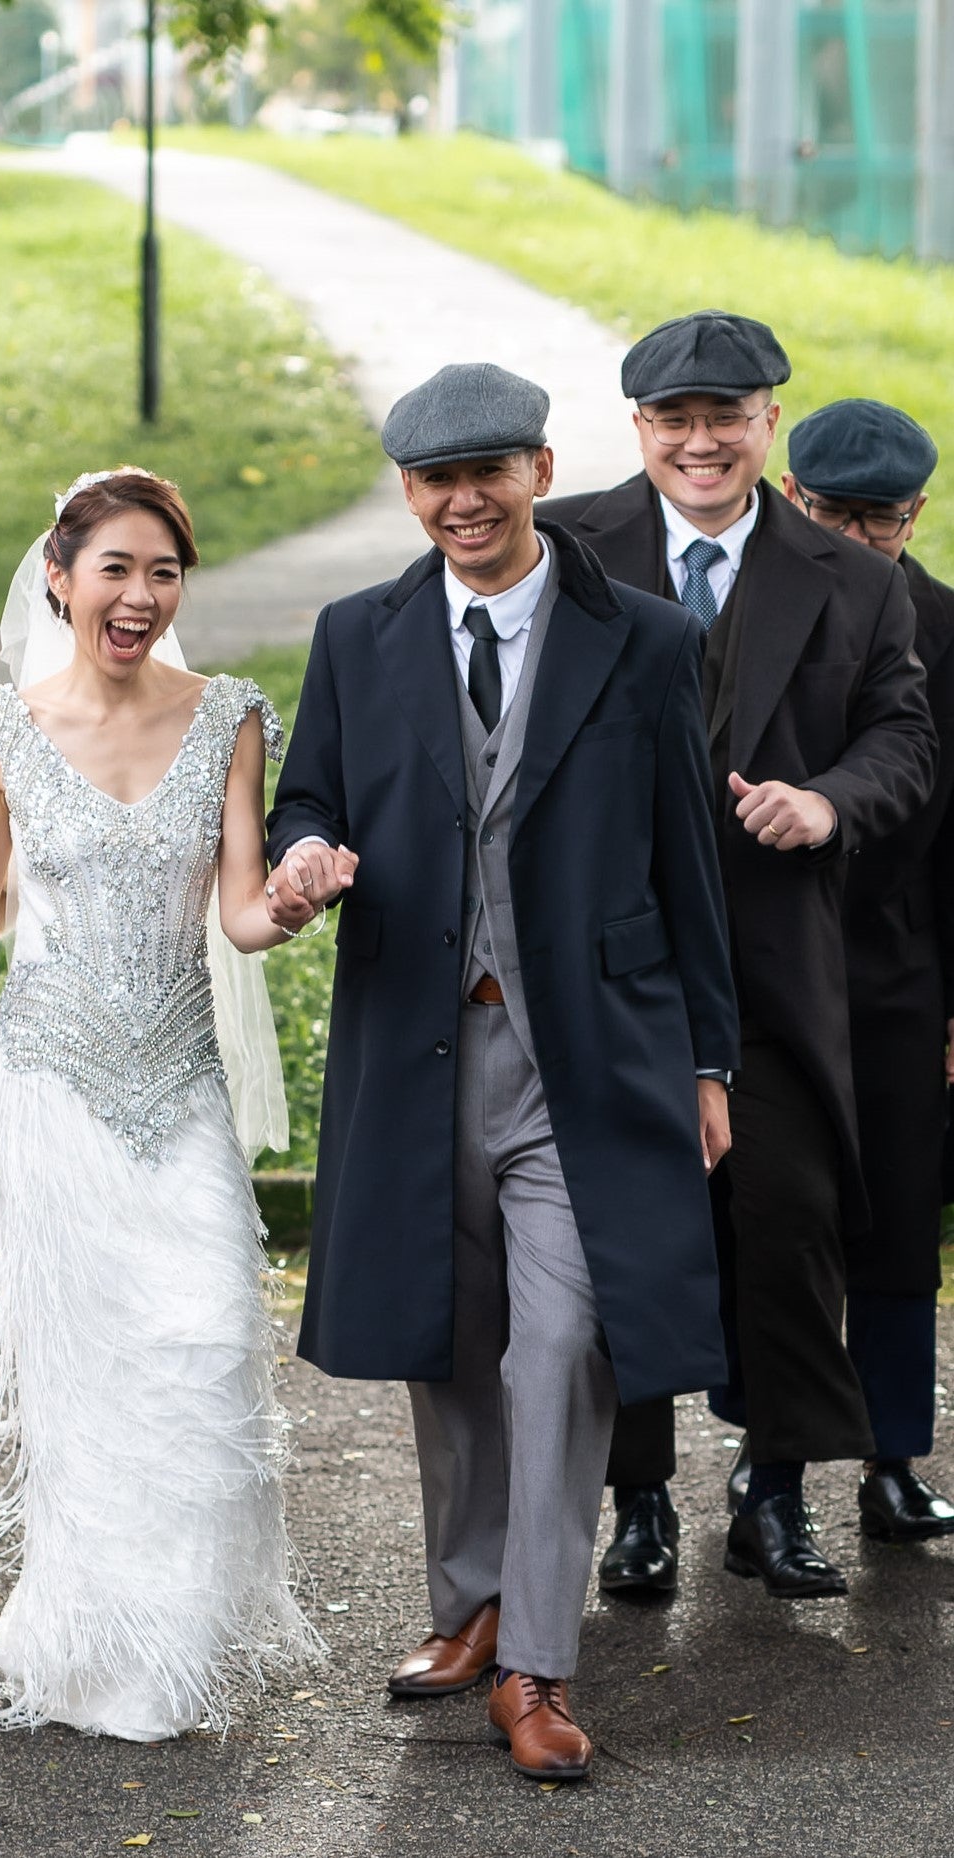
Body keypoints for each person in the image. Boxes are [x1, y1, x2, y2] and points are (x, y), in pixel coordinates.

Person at [264, 364, 737, 1782]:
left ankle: (536, 1659)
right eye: (433, 480)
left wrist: (711, 1053)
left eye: (487, 473)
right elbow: (312, 791)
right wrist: (300, 854)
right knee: (450, 1337)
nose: (461, 502)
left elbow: (688, 860)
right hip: (416, 1043)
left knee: (564, 1342)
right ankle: (466, 1600)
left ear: (537, 466)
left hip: (588, 1051)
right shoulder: (360, 633)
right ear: (410, 490)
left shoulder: (645, 639)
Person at [0, 467, 320, 1741]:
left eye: (165, 571)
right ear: (59, 576)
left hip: (178, 1084)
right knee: (85, 1379)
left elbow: (236, 908)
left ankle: (174, 1634)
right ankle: (87, 1639)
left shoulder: (229, 713)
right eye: (116, 566)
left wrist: (289, 901)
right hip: (47, 1087)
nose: (142, 594)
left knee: (206, 1343)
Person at [544, 312, 937, 1599]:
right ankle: (639, 1502)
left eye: (730, 414)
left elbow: (905, 743)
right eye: (675, 418)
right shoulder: (561, 551)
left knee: (788, 1215)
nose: (703, 439)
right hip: (607, 966)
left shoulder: (857, 577)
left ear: (772, 418)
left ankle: (775, 1488)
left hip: (777, 961)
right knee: (628, 1233)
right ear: (641, 427)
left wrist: (826, 800)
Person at [783, 399, 954, 1542]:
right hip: (770, 967)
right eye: (835, 515)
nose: (855, 540)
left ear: (918, 513)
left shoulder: (947, 624)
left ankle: (892, 1461)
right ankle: (775, 1469)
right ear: (796, 500)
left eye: (879, 521)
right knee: (779, 1228)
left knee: (898, 1222)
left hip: (901, 966)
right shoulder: (749, 604)